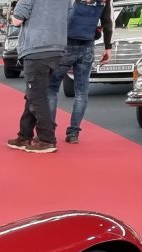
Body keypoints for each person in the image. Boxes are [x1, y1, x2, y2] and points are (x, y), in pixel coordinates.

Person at [7, 0, 68, 153]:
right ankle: (24, 135)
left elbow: (17, 20)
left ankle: (47, 139)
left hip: (36, 48)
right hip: (57, 48)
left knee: (36, 96)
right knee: (34, 94)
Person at [48, 0, 112, 144]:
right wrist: (108, 47)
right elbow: (107, 22)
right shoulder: (104, 1)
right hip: (87, 46)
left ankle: (49, 131)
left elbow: (58, 17)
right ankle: (73, 133)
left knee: (51, 89)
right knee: (81, 92)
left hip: (66, 44)